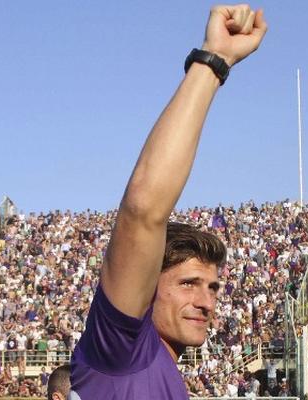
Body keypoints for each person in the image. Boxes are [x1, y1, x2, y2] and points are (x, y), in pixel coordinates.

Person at [68, 4, 267, 400]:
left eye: (212, 287)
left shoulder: (162, 369)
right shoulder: (122, 350)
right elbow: (143, 209)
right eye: (188, 283)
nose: (206, 301)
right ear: (145, 285)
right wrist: (216, 60)